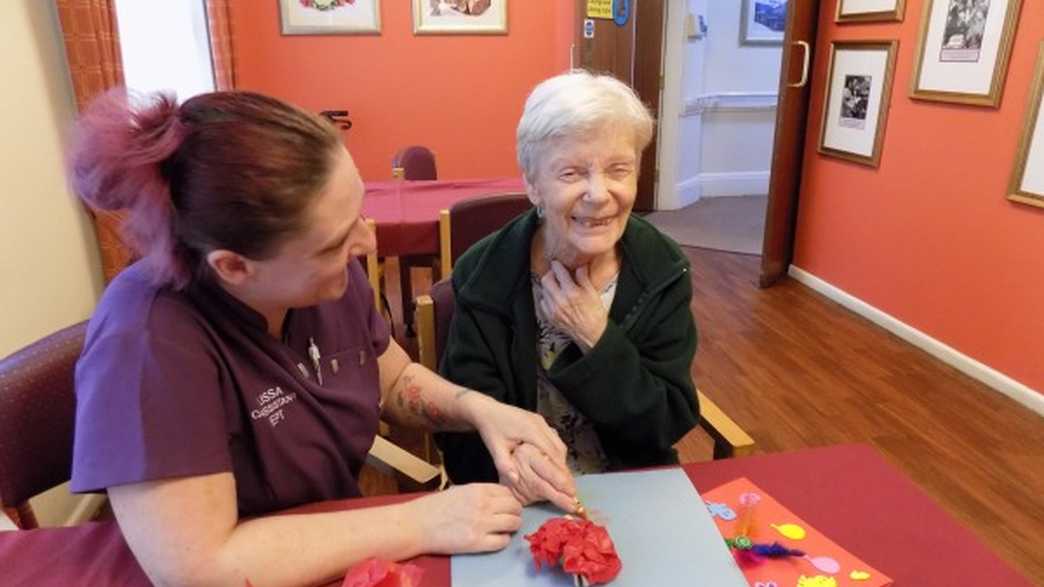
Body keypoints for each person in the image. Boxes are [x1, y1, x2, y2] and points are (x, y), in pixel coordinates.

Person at [67, 89, 576, 587]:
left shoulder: (325, 279)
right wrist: (419, 522)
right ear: (234, 266)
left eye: (357, 212)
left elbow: (393, 379)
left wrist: (481, 411)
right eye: (334, 243)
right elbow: (199, 567)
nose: (366, 242)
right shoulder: (146, 342)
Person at [435, 71, 700, 501]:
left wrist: (597, 337)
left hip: (631, 491)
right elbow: (462, 432)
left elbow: (665, 423)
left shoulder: (662, 272)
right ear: (532, 183)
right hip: (516, 495)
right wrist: (520, 467)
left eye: (619, 170)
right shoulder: (486, 275)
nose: (599, 194)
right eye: (572, 173)